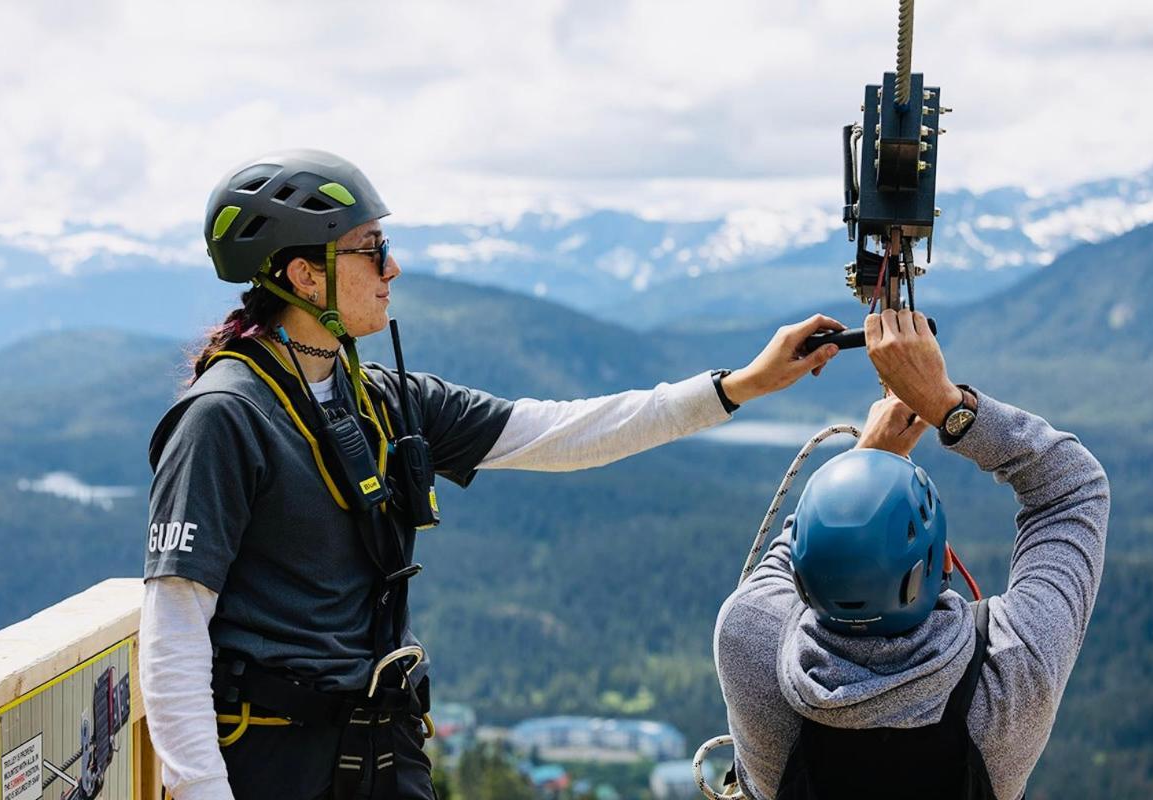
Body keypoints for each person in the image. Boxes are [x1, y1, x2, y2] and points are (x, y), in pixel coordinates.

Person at [140, 149, 844, 800]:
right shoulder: (224, 418)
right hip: (276, 765)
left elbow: (561, 433)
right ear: (304, 275)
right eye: (371, 249)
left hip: (380, 751)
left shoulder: (382, 399)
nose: (393, 269)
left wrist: (740, 386)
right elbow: (173, 630)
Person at [713, 308, 1110, 800]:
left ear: (802, 578)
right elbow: (1072, 488)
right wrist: (948, 405)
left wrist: (866, 459)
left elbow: (789, 558)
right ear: (945, 562)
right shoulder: (1009, 677)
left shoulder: (749, 635)